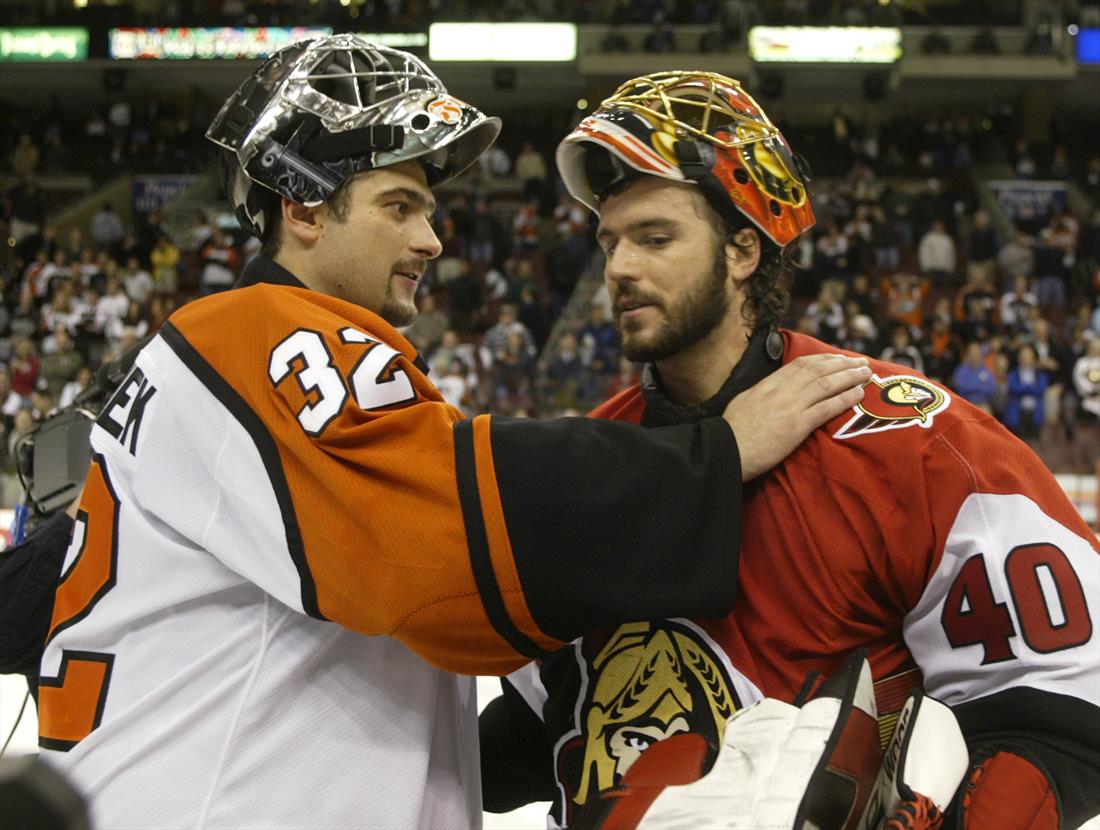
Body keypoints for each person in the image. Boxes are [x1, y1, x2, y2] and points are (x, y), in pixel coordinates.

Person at [30, 39, 867, 830]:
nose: (431, 240)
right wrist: (716, 452)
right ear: (304, 208)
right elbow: (438, 549)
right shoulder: (261, 332)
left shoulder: (220, 358)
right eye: (399, 206)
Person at [480, 71, 1100, 829]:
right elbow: (534, 728)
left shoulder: (910, 440)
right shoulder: (594, 457)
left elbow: (1062, 703)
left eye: (655, 237)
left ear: (744, 250)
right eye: (609, 240)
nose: (618, 268)